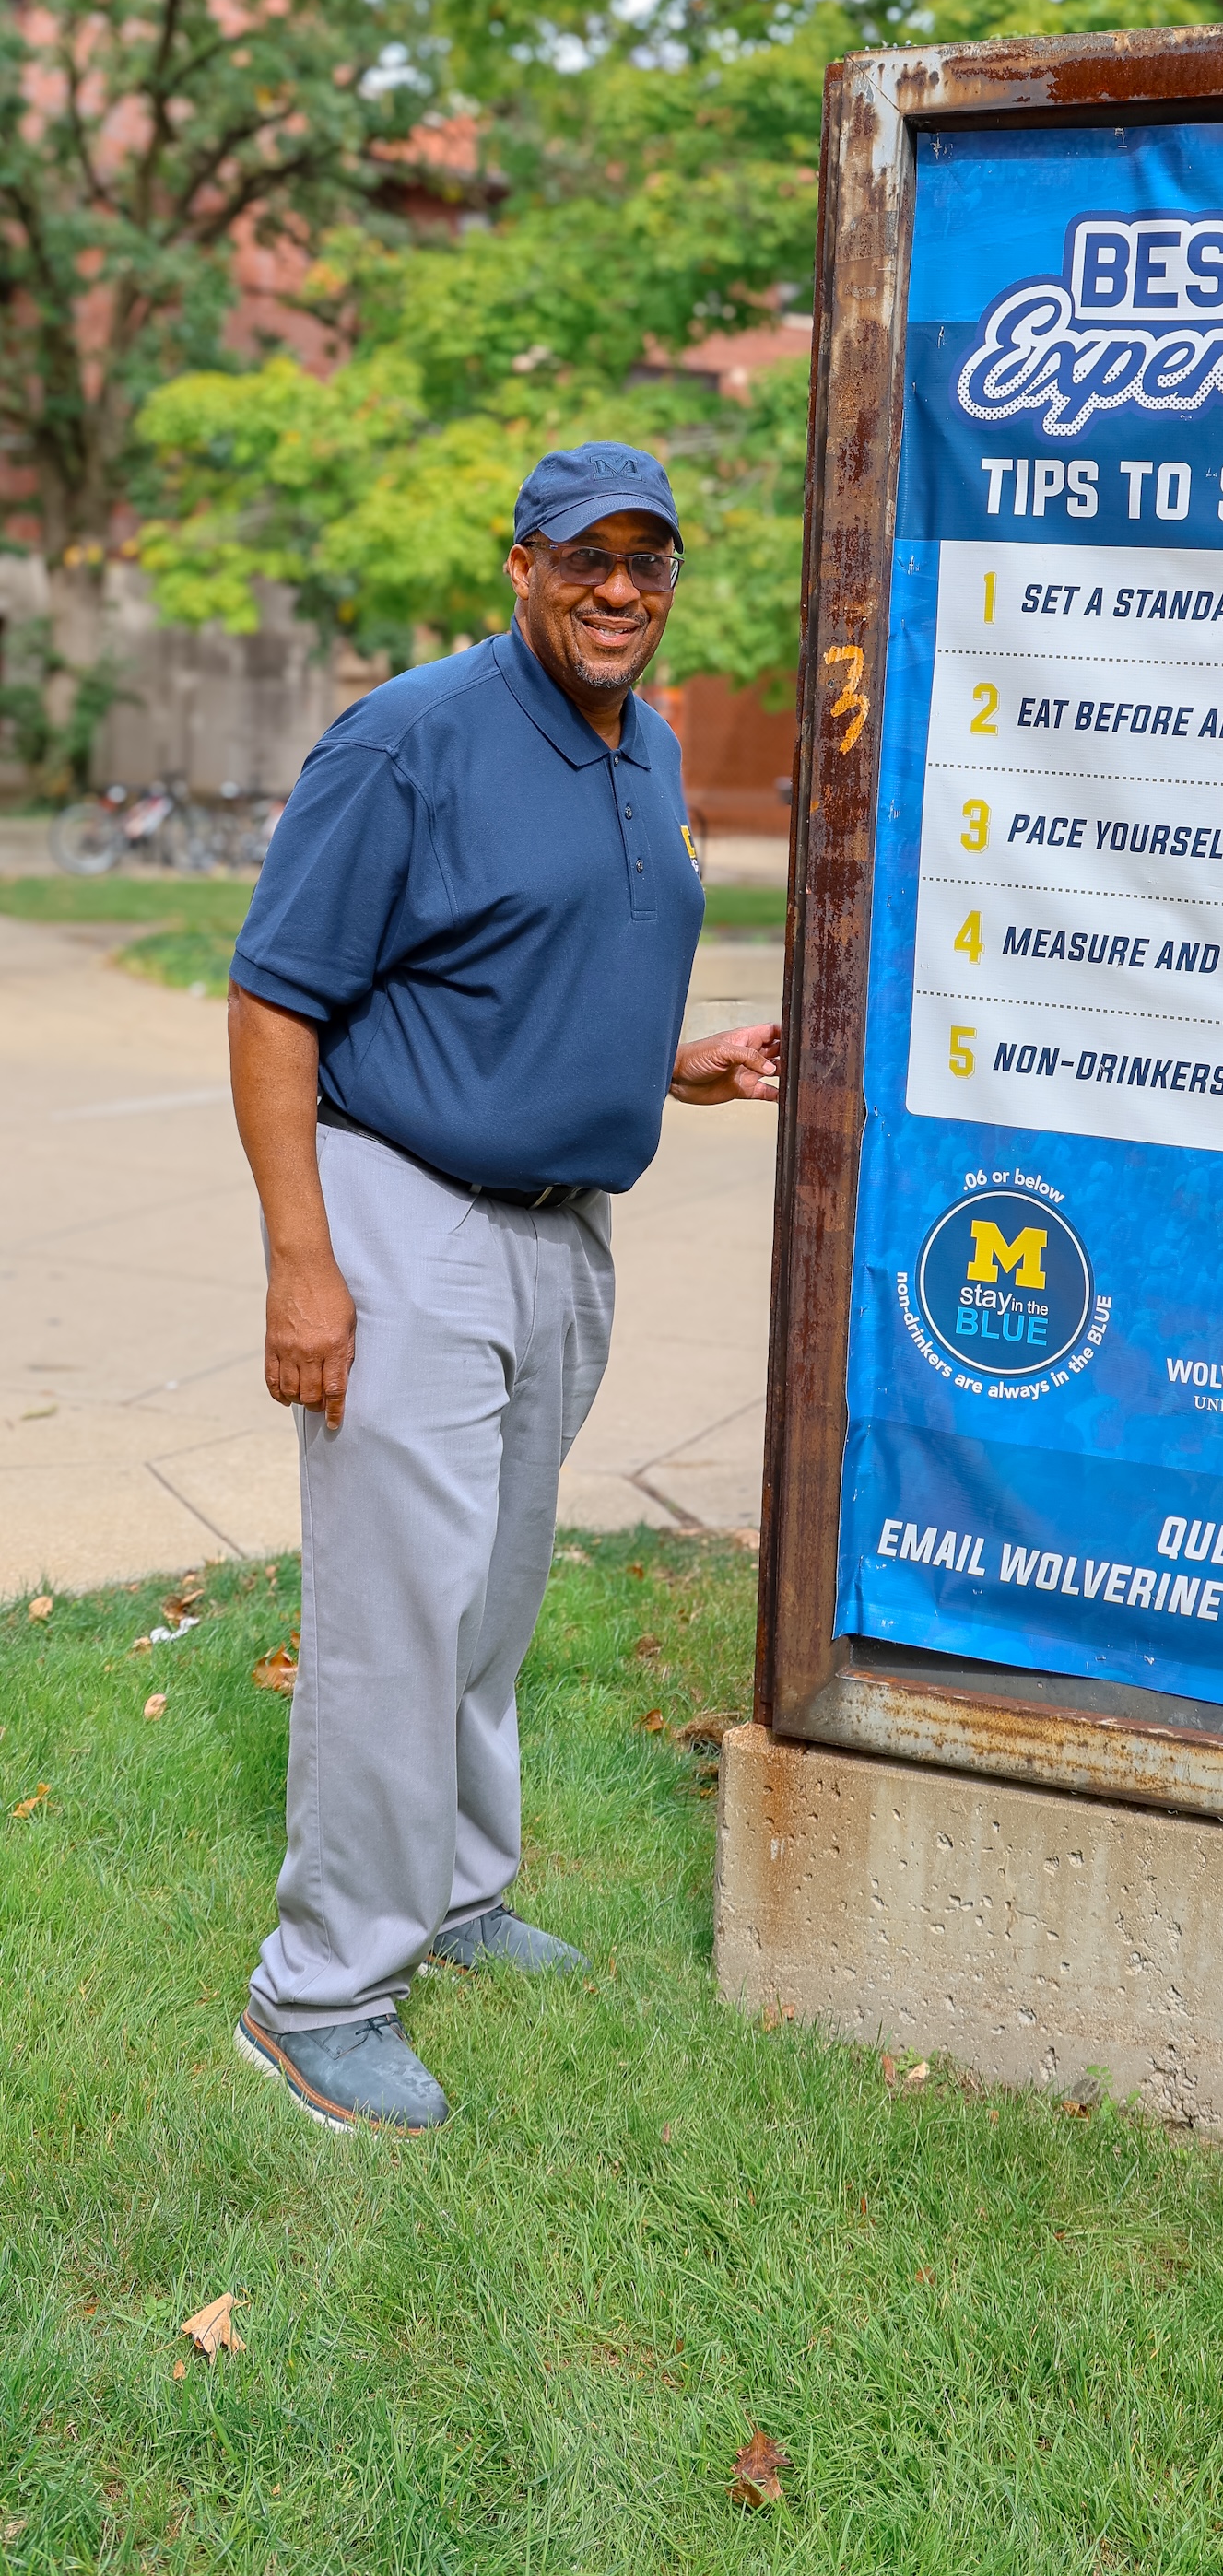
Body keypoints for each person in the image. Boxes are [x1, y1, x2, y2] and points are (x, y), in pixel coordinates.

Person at [224, 441, 780, 2134]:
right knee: (395, 1618)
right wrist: (304, 1267)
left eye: (650, 559)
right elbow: (271, 1005)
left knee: (489, 1601)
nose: (621, 588)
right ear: (520, 565)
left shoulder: (651, 742)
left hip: (563, 1228)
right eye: (585, 556)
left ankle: (455, 1896)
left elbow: (532, 961)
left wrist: (658, 1063)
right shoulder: (407, 739)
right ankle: (317, 1995)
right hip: (409, 1218)